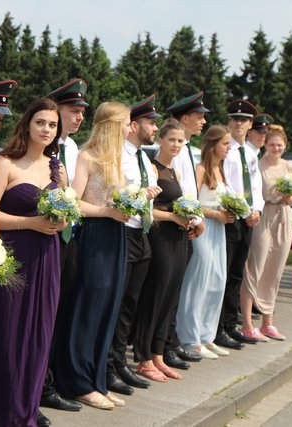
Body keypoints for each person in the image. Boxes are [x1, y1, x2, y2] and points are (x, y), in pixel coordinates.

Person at [0, 98, 66, 426]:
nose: (46, 129)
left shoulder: (57, 168)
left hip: (48, 259)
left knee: (39, 334)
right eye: (41, 122)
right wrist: (30, 223)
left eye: (52, 125)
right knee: (7, 332)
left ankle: (26, 408)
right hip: (14, 256)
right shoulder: (6, 162)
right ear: (27, 123)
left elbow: (67, 212)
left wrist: (61, 221)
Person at [53, 102, 131, 411]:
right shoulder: (87, 157)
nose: (129, 128)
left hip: (116, 236)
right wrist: (107, 212)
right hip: (94, 236)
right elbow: (74, 202)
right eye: (126, 123)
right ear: (112, 125)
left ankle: (97, 379)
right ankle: (78, 382)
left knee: (108, 307)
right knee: (89, 307)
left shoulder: (117, 159)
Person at [106, 94, 163, 396]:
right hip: (123, 232)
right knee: (116, 303)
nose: (155, 128)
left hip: (143, 233)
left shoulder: (142, 157)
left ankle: (119, 363)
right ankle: (107, 366)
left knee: (130, 304)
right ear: (134, 125)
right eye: (150, 122)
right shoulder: (119, 154)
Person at [39, 78, 88, 418]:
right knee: (42, 317)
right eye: (73, 110)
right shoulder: (46, 146)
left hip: (70, 238)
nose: (79, 117)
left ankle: (48, 381)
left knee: (60, 313)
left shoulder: (72, 148)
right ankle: (39, 386)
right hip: (45, 236)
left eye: (82, 111)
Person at [133, 118, 192, 383]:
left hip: (178, 238)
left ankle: (158, 354)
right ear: (161, 140)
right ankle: (143, 357)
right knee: (155, 295)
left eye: (180, 141)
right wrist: (172, 217)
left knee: (169, 296)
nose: (176, 145)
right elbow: (147, 209)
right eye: (172, 140)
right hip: (160, 237)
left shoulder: (175, 172)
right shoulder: (152, 168)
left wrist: (189, 217)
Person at [176, 125, 235, 360]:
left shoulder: (221, 170)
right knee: (198, 281)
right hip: (205, 228)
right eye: (225, 143)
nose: (229, 148)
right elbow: (193, 201)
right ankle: (190, 337)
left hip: (219, 230)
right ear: (213, 145)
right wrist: (215, 214)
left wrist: (229, 211)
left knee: (217, 281)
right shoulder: (200, 169)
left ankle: (206, 335)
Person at [164, 92, 210, 368]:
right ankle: (167, 345)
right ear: (184, 119)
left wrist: (196, 217)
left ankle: (172, 341)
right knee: (169, 291)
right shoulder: (178, 150)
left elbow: (190, 190)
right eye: (199, 117)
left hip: (186, 223)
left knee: (176, 290)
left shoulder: (189, 149)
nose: (203, 122)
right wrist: (194, 218)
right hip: (177, 224)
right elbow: (179, 192)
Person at [215, 99, 265, 350]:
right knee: (223, 274)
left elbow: (255, 186)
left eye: (243, 120)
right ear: (229, 122)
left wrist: (257, 209)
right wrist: (246, 211)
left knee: (237, 274)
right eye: (234, 119)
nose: (238, 123)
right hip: (232, 217)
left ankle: (229, 324)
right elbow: (227, 187)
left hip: (248, 219)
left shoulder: (250, 152)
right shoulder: (226, 150)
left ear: (250, 124)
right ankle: (217, 328)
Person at [240, 127, 292, 341]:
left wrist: (291, 198)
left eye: (279, 145)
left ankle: (268, 323)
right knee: (254, 269)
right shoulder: (257, 165)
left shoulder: (289, 166)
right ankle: (247, 324)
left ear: (285, 146)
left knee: (275, 270)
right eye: (272, 144)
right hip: (264, 218)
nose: (276, 148)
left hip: (284, 218)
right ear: (265, 145)